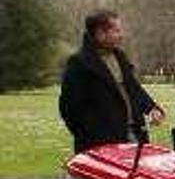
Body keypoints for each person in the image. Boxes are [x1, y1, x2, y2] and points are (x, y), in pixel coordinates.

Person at [59, 10, 165, 153]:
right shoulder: (79, 63)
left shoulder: (120, 56)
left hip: (133, 135)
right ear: (100, 34)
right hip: (99, 145)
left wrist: (152, 108)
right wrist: (91, 135)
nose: (121, 35)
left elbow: (133, 88)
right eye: (116, 31)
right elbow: (69, 108)